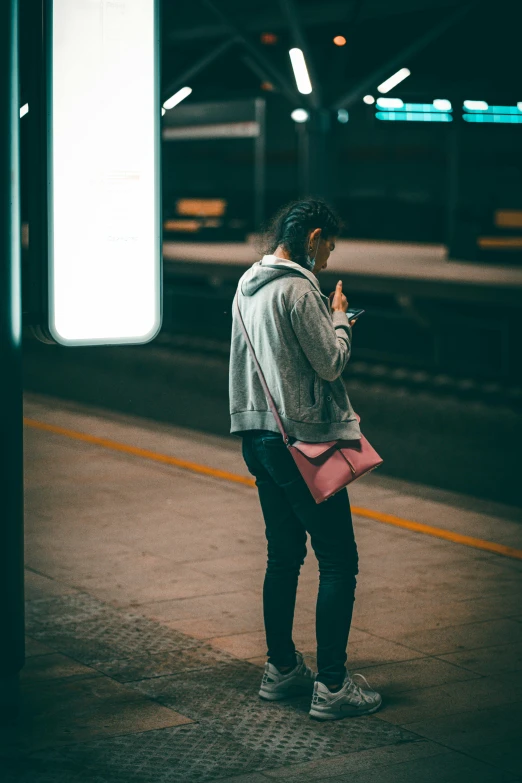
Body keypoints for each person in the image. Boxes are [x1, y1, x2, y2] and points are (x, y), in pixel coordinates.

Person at [228, 199, 382, 720]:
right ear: (313, 237)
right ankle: (333, 687)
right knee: (339, 560)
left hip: (258, 436)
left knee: (284, 555)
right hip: (300, 443)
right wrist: (339, 318)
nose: (329, 258)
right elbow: (330, 363)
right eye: (329, 246)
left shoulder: (248, 282)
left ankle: (282, 669)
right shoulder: (298, 289)